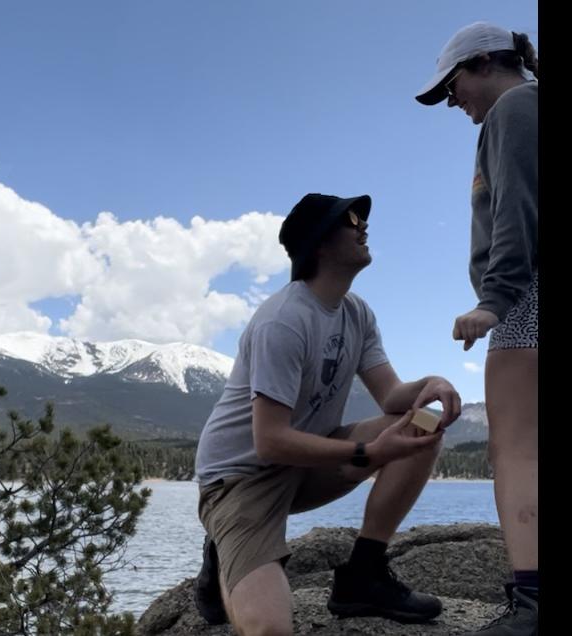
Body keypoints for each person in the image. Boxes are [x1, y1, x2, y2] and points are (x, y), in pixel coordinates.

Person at [193, 192, 462, 635]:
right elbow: (270, 440)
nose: (363, 226)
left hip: (306, 464)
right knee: (270, 629)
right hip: (240, 479)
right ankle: (225, 548)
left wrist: (431, 383)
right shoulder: (283, 320)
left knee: (421, 426)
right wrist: (368, 451)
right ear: (318, 243)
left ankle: (362, 575)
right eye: (351, 219)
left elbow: (392, 395)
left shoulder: (355, 313)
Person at [415, 21, 538, 636]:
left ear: (486, 63)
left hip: (527, 294)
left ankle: (534, 603)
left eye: (453, 85)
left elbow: (517, 204)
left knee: (515, 445)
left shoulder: (514, 107)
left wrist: (494, 299)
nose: (452, 101)